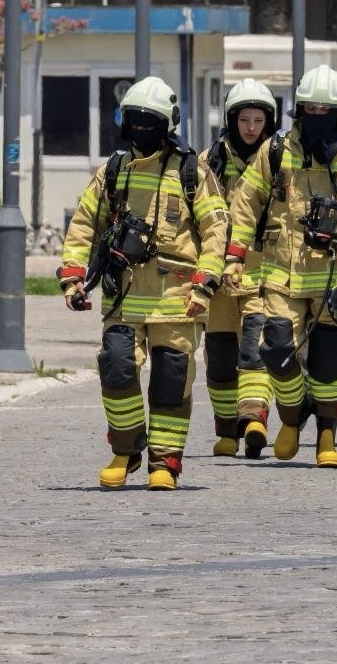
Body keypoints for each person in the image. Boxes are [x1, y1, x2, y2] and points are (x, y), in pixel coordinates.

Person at [225, 65, 337, 469]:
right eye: (310, 109)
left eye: (326, 111)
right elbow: (245, 206)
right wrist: (234, 257)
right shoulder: (274, 152)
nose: (317, 118)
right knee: (277, 351)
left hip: (334, 279)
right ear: (300, 110)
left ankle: (325, 436)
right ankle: (292, 415)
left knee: (326, 364)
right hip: (280, 278)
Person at [59, 76, 229, 489]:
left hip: (178, 298)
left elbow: (215, 229)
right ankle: (126, 449)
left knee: (172, 379)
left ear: (167, 124)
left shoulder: (193, 173)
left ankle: (165, 462)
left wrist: (206, 281)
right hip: (125, 296)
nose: (142, 129)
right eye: (135, 121)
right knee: (116, 369)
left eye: (150, 122)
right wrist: (73, 275)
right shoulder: (112, 173)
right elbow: (83, 225)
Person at [197, 79, 278, 456]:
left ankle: (254, 417)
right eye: (244, 119)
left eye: (257, 119)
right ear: (231, 119)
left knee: (256, 349)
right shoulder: (206, 163)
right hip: (219, 276)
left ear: (268, 121)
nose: (250, 127)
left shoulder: (281, 161)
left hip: (263, 273)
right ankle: (227, 430)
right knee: (219, 356)